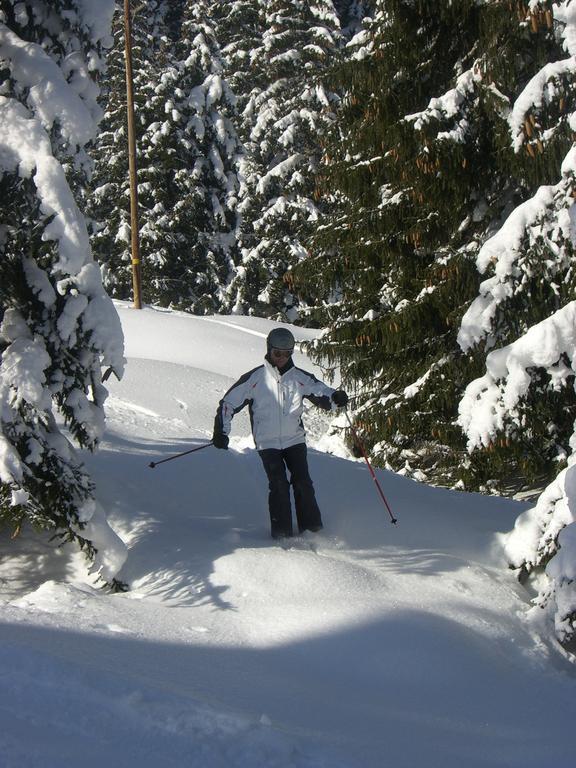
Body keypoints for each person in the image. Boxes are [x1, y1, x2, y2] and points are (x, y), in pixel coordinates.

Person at [212, 327, 348, 539]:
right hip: (268, 444)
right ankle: (282, 533)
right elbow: (228, 403)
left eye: (288, 353)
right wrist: (221, 430)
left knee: (303, 482)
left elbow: (322, 393)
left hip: (294, 440)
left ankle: (312, 530)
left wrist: (335, 397)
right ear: (269, 350)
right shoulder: (255, 379)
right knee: (278, 485)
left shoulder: (299, 378)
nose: (283, 358)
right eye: (278, 353)